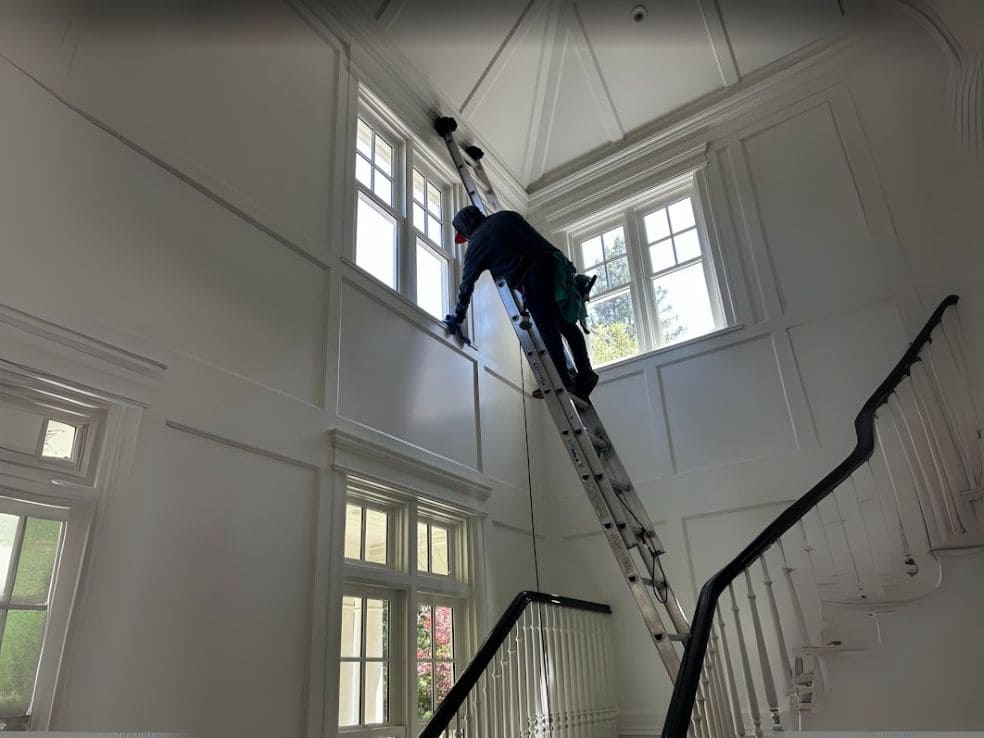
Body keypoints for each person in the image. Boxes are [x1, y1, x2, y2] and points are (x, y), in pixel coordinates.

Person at [443, 205, 599, 402]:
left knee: (547, 328)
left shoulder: (478, 241)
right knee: (566, 324)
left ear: (465, 228)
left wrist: (458, 316)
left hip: (533, 277)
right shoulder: (508, 216)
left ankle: (562, 382)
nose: (465, 240)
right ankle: (585, 373)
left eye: (464, 236)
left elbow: (466, 285)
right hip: (556, 267)